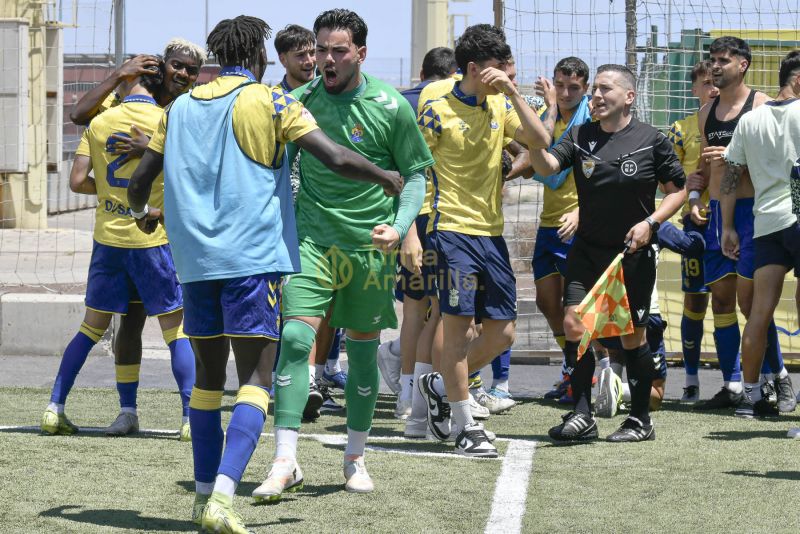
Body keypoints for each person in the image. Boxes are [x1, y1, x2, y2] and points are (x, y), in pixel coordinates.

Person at [126, 15, 403, 532]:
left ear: (217, 55)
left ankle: (203, 495)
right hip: (251, 261)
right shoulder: (271, 101)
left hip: (195, 263)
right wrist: (385, 176)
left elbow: (140, 182)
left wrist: (142, 213)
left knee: (208, 382)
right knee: (255, 381)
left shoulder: (178, 108)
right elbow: (335, 157)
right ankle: (224, 496)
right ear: (257, 55)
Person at [253, 8, 432, 498]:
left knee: (362, 351)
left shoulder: (391, 106)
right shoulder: (299, 102)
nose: (326, 60)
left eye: (338, 51)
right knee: (295, 339)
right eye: (320, 50)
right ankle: (285, 459)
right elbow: (273, 170)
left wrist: (400, 228)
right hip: (311, 242)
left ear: (360, 53)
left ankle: (355, 457)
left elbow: (415, 175)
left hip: (369, 249)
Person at [529, 64, 686, 442]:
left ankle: (641, 421)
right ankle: (582, 414)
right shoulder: (580, 134)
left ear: (629, 97)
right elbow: (549, 166)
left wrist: (651, 223)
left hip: (631, 255)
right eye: (595, 90)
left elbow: (678, 190)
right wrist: (536, 142)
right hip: (586, 251)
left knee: (632, 337)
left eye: (605, 89)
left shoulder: (651, 140)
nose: (596, 96)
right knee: (574, 325)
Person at [40, 66, 196, 441]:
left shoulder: (100, 122)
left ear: (127, 83)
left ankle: (55, 407)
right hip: (152, 239)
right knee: (175, 332)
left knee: (91, 328)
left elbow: (77, 181)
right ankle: (190, 417)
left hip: (108, 241)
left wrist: (113, 196)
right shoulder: (166, 121)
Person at [416, 24, 543, 458]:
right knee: (457, 328)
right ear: (473, 68)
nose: (504, 75)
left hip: (491, 232)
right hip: (450, 229)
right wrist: (410, 230)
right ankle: (465, 425)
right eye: (497, 68)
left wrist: (514, 93)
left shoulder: (500, 102)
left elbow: (540, 141)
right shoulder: (435, 105)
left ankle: (440, 385)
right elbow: (414, 167)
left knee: (503, 333)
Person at [687, 37, 790, 412]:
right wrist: (694, 192)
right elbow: (703, 167)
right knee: (720, 299)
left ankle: (776, 378)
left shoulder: (762, 106)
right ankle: (732, 384)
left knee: (753, 304)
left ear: (743, 64)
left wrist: (736, 158)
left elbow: (777, 165)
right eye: (712, 60)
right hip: (719, 213)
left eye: (723, 60)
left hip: (754, 213)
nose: (715, 66)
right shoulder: (706, 112)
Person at [378, 46, 458, 421]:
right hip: (436, 216)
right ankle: (427, 391)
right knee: (442, 310)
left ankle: (409, 392)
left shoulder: (398, 102)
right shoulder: (452, 101)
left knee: (415, 308)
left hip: (406, 215)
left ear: (422, 72)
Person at [719, 50, 800, 418]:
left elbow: (729, 177)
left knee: (759, 313)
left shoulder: (750, 121)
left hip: (766, 224)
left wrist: (727, 226)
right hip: (797, 218)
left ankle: (751, 398)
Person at [272, 23, 344, 418]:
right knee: (290, 303)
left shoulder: (328, 94)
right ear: (282, 59)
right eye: (300, 55)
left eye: (311, 53)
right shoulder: (273, 100)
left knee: (329, 302)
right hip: (286, 217)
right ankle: (286, 377)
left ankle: (318, 376)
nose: (309, 61)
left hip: (326, 215)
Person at [531, 56, 591, 402]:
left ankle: (586, 374)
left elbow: (605, 177)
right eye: (560, 85)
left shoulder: (593, 120)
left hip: (578, 225)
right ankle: (573, 365)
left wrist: (582, 211)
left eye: (574, 88)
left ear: (586, 88)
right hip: (548, 223)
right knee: (546, 301)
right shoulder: (544, 116)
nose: (566, 93)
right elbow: (535, 154)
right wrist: (550, 107)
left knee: (576, 309)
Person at [666, 60, 718, 402]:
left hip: (732, 220)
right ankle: (691, 379)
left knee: (744, 300)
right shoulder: (680, 129)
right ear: (694, 89)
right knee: (696, 300)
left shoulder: (741, 122)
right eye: (706, 82)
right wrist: (690, 191)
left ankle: (748, 381)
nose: (713, 88)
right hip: (696, 224)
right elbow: (666, 180)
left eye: (716, 82)